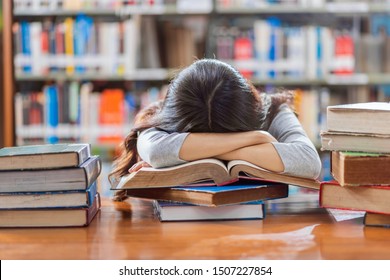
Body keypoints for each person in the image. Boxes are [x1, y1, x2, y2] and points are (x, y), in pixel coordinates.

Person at [110, 59, 322, 200]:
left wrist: (195, 151)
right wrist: (256, 138)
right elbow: (156, 151)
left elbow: (309, 162)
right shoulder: (161, 116)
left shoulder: (270, 109)